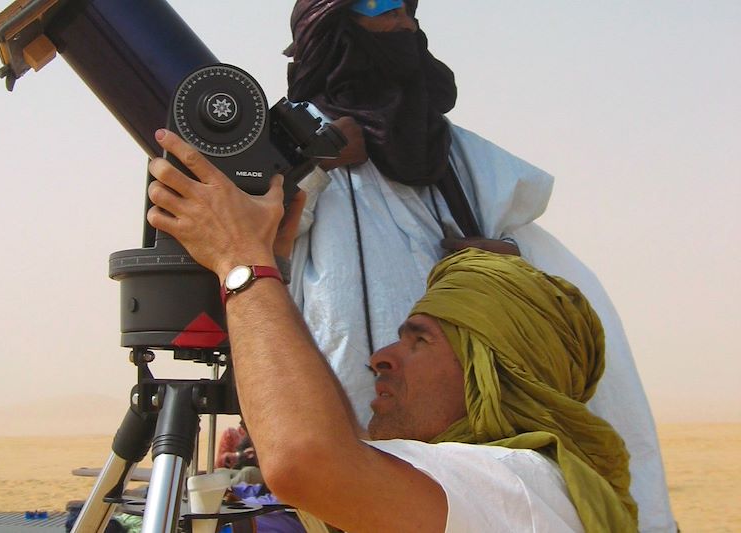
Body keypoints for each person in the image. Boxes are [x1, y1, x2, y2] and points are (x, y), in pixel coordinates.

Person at [282, 1, 675, 531]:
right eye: (378, 4)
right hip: (348, 457)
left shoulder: (466, 164)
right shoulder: (288, 149)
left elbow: (576, 339)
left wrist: (511, 267)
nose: (402, 19)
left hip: (476, 476)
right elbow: (236, 235)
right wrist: (307, 166)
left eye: (407, 5)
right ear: (329, 29)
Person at [144, 130, 636, 531]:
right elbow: (346, 447)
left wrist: (241, 261)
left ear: (490, 371)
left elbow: (309, 459)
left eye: (419, 339)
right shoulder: (492, 486)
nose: (380, 355)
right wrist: (270, 266)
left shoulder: (517, 490)